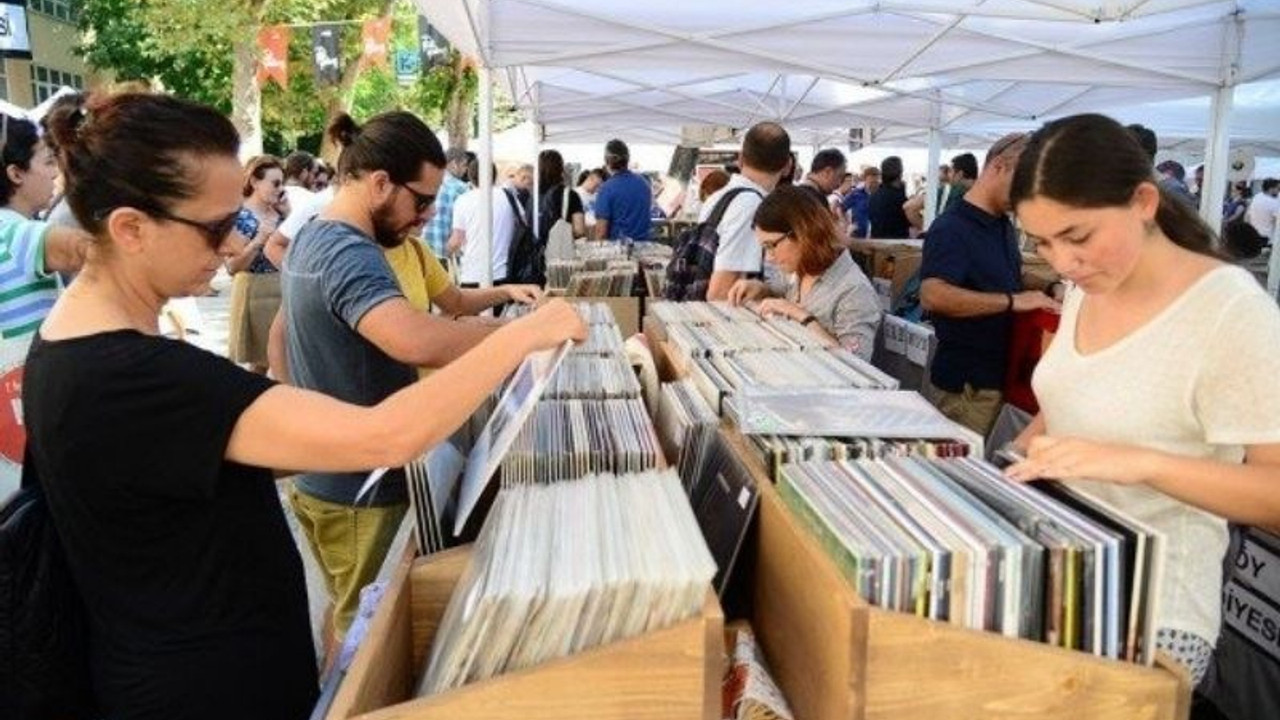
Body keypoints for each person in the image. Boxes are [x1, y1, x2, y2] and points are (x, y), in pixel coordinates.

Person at [25, 90, 585, 720]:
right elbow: (385, 436)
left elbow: (183, 476)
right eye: (216, 227)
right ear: (131, 228)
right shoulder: (136, 376)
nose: (233, 242)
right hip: (206, 693)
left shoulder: (71, 351)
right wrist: (524, 335)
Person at [1004, 112, 1280, 689]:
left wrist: (1141, 464)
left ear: (1145, 202)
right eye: (1043, 243)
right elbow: (1069, 405)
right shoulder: (1088, 286)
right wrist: (1000, 471)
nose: (1062, 262)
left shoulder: (1232, 312)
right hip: (1052, 579)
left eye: (1077, 237)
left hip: (1150, 613)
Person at [283, 112, 560, 649]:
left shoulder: (315, 237)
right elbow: (414, 339)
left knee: (344, 617)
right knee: (363, 644)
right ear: (380, 182)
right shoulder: (349, 251)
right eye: (421, 199)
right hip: (361, 486)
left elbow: (280, 336)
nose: (426, 214)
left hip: (325, 477)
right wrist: (524, 337)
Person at [919, 132, 1060, 435]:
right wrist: (1010, 301)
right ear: (999, 167)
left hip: (995, 378)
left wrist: (1049, 288)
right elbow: (933, 295)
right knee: (958, 473)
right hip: (966, 386)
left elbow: (1004, 275)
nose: (1027, 197)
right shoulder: (952, 227)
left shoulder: (1001, 224)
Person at [0, 113, 88, 498]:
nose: (56, 174)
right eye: (47, 161)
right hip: (27, 400)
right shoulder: (14, 231)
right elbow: (78, 251)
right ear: (16, 173)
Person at [725, 185, 881, 359]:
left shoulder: (855, 291)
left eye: (771, 246)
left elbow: (857, 364)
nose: (769, 257)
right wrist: (758, 288)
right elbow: (777, 289)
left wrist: (802, 317)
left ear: (803, 233)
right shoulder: (798, 268)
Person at [696, 121, 792, 302]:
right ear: (787, 166)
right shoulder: (751, 206)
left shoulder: (718, 197)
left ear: (740, 159)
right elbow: (721, 292)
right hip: (723, 323)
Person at [225, 154, 284, 373]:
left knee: (279, 358)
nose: (280, 188)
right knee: (261, 361)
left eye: (282, 183)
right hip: (255, 291)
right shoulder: (240, 216)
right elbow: (232, 267)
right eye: (275, 183)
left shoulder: (280, 213)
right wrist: (258, 241)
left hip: (282, 289)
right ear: (254, 181)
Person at [450, 159, 519, 287]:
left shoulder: (463, 200)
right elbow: (521, 226)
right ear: (494, 175)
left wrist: (447, 250)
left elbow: (456, 241)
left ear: (470, 176)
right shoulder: (509, 197)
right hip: (504, 273)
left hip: (472, 273)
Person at [593, 139, 652, 241]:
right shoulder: (644, 184)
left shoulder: (607, 188)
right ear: (627, 160)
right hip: (644, 248)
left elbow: (601, 233)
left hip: (618, 251)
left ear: (607, 161)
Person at [421, 147, 472, 261]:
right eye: (464, 165)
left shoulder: (427, 183)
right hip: (447, 254)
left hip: (424, 252)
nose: (465, 170)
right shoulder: (461, 189)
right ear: (454, 164)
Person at [536, 149, 586, 242]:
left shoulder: (532, 194)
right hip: (560, 250)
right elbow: (579, 230)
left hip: (534, 251)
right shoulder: (571, 195)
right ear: (561, 168)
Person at [867, 155, 910, 238]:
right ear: (900, 173)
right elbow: (908, 221)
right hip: (895, 245)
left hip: (876, 243)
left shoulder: (874, 195)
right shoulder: (898, 198)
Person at [843, 165, 880, 239]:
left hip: (877, 238)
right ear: (865, 179)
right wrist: (847, 225)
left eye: (876, 181)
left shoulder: (881, 195)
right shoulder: (856, 194)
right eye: (871, 181)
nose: (874, 184)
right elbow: (841, 208)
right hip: (858, 237)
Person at [1245, 178, 1279, 242]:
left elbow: (1247, 216)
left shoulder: (1256, 197)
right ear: (1271, 189)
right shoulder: (1274, 203)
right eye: (1278, 188)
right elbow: (1276, 222)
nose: (1278, 191)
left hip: (1253, 233)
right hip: (1267, 236)